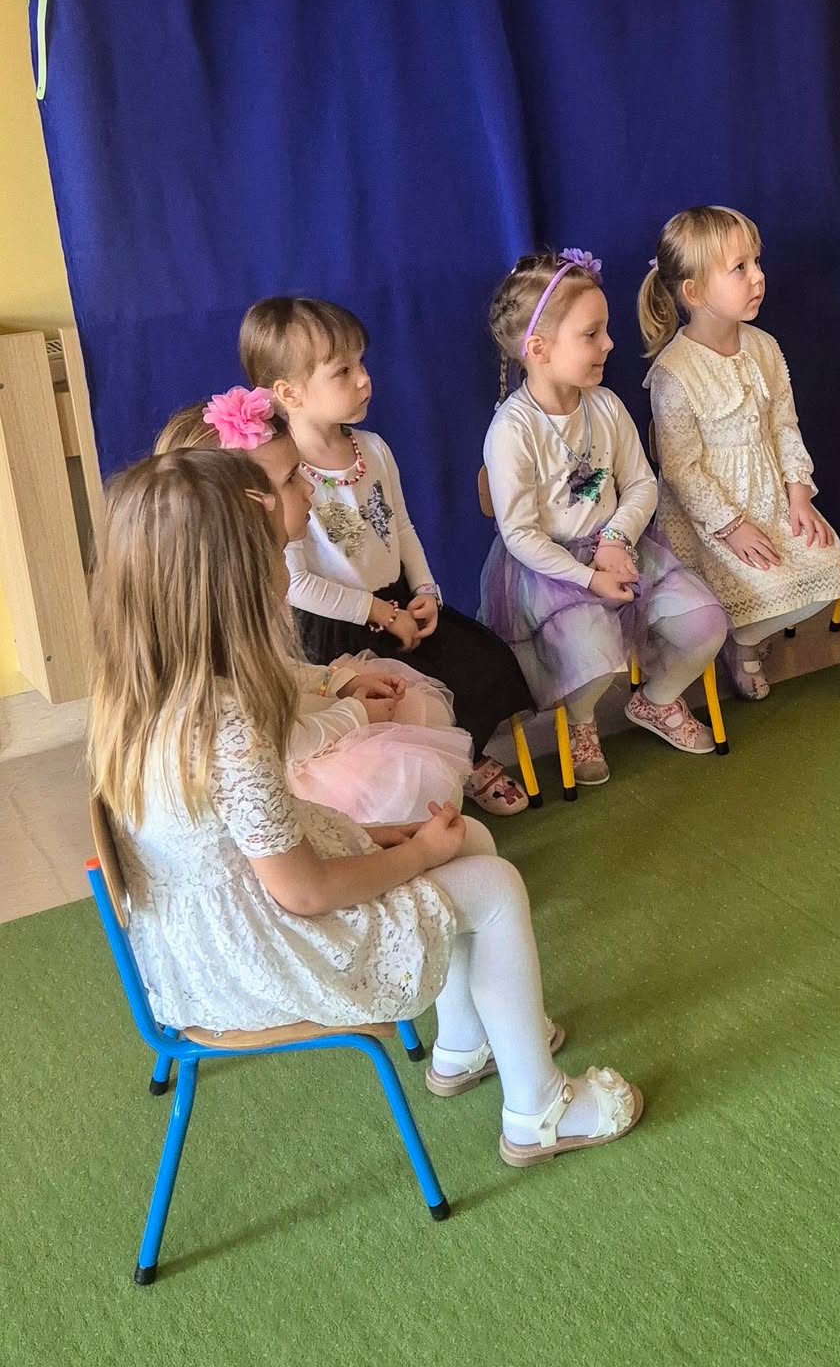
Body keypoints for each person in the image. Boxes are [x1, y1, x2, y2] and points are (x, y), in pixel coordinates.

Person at [87, 449, 642, 1160]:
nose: (283, 571)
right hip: (257, 957)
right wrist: (417, 853)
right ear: (235, 585)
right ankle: (538, 1110)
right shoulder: (227, 726)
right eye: (274, 558)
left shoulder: (140, 692)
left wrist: (386, 839)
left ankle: (466, 1044)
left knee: (469, 842)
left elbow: (247, 844)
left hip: (210, 934)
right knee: (495, 886)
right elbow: (306, 892)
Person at [239, 297, 531, 819]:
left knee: (484, 665)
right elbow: (298, 582)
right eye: (342, 371)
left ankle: (463, 757)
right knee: (395, 701)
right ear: (289, 393)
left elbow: (400, 526)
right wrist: (377, 613)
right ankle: (425, 781)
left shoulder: (372, 449)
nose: (364, 380)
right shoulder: (283, 477)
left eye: (362, 363)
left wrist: (424, 592)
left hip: (396, 603)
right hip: (339, 628)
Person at [156, 391, 476, 821]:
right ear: (244, 507)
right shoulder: (226, 619)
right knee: (407, 781)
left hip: (295, 722)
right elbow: (272, 742)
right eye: (292, 479)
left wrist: (338, 680)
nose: (309, 487)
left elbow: (276, 671)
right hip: (278, 777)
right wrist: (354, 713)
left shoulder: (257, 583)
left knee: (417, 709)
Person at [482, 248, 727, 785]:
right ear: (539, 348)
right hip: (550, 571)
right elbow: (519, 533)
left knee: (706, 622)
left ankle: (656, 700)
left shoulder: (606, 406)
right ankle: (581, 721)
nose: (610, 343)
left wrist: (616, 539)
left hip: (619, 546)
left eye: (605, 330)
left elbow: (640, 483)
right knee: (593, 654)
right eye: (591, 334)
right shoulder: (513, 429)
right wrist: (588, 576)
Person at [640, 206, 840, 699]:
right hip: (711, 519)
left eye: (757, 262)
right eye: (740, 268)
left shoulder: (764, 347)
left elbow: (784, 425)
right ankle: (740, 641)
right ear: (694, 292)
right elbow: (682, 471)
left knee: (830, 567)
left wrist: (799, 495)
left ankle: (745, 639)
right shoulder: (675, 373)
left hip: (771, 497)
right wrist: (731, 527)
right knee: (757, 581)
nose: (758, 277)